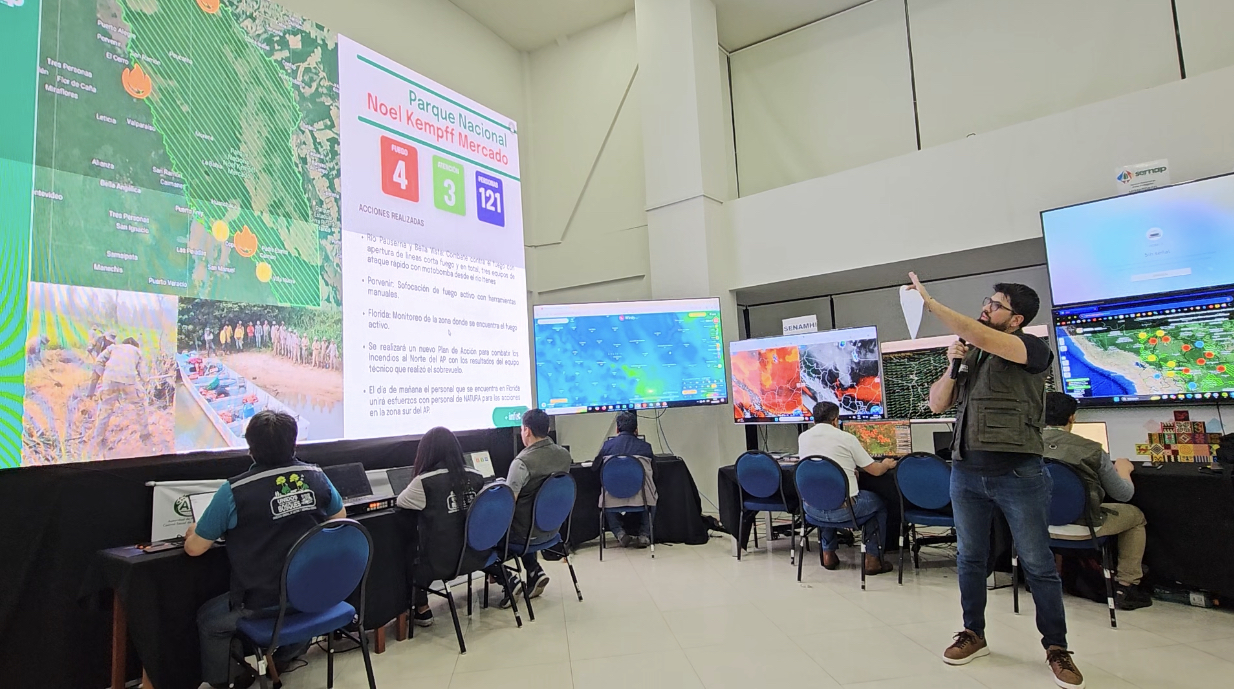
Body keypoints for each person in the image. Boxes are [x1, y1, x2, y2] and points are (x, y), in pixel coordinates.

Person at [911, 274, 1084, 689]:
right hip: (967, 471)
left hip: (1018, 472)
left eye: (995, 305)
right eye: (986, 301)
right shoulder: (972, 353)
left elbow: (978, 333)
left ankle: (1056, 648)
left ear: (1016, 319)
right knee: (970, 559)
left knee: (1038, 564)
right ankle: (974, 632)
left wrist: (932, 305)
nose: (985, 308)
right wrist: (954, 366)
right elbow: (938, 402)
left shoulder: (1032, 348)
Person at [185, 411, 346, 689]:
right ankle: (284, 656)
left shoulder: (234, 490)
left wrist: (193, 531)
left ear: (250, 449)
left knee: (209, 620)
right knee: (293, 611)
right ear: (295, 444)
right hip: (314, 593)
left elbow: (195, 549)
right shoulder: (317, 476)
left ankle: (226, 680)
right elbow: (340, 517)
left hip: (262, 601)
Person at [1042, 392, 1151, 611]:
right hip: (1085, 526)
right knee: (1136, 516)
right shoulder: (1092, 449)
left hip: (1036, 526)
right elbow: (1123, 494)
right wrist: (1124, 470)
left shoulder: (1023, 447)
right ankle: (1126, 584)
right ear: (1072, 418)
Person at [395, 427, 487, 628]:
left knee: (407, 552)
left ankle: (422, 608)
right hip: (476, 558)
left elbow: (400, 504)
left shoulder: (424, 481)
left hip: (440, 564)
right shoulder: (476, 476)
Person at [796, 401, 897, 574]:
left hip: (811, 509)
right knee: (879, 504)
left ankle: (828, 554)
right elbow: (875, 471)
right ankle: (873, 559)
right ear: (836, 420)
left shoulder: (803, 437)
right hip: (845, 509)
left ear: (814, 420)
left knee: (823, 496)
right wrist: (886, 464)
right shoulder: (846, 438)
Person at [485, 409, 572, 607]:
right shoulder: (564, 455)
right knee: (526, 515)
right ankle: (534, 570)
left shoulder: (522, 463)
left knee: (482, 536)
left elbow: (509, 504)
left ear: (526, 430)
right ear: (548, 429)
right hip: (552, 531)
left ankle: (509, 579)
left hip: (524, 534)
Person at [594, 410, 657, 547]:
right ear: (636, 430)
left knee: (604, 497)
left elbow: (595, 468)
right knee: (654, 496)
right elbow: (656, 473)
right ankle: (644, 535)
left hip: (612, 498)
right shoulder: (646, 448)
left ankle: (620, 533)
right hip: (642, 499)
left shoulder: (607, 447)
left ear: (617, 429)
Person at [89, 336, 152, 452]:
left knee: (105, 410)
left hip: (109, 380)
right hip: (128, 380)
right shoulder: (137, 351)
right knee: (140, 405)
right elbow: (143, 374)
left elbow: (98, 362)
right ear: (135, 345)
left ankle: (97, 440)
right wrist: (146, 380)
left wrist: (104, 375)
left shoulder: (113, 347)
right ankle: (145, 436)